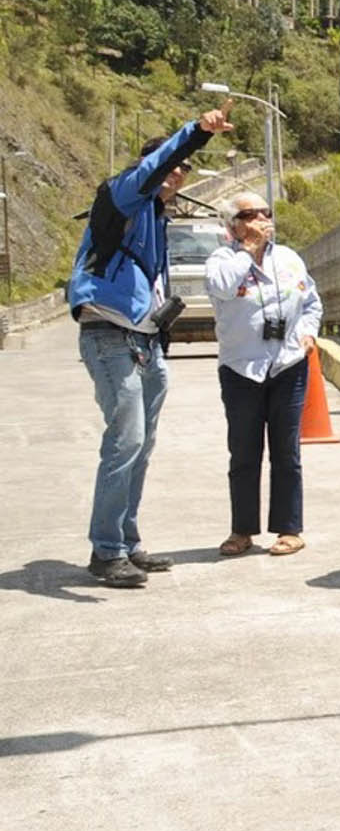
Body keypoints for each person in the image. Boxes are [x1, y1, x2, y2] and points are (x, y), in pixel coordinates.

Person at [67, 102, 234, 586]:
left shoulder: (158, 220)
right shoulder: (121, 197)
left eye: (183, 170)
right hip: (108, 333)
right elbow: (154, 167)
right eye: (170, 165)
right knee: (127, 439)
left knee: (142, 444)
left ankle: (127, 539)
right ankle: (106, 549)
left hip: (145, 341)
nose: (176, 174)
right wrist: (198, 133)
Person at [204, 189, 322, 557]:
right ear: (233, 225)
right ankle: (242, 531)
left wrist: (307, 333)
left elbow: (312, 302)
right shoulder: (222, 260)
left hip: (287, 364)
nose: (262, 220)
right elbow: (222, 288)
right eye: (251, 215)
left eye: (265, 213)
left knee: (287, 451)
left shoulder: (288, 259)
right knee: (243, 452)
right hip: (242, 368)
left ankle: (290, 528)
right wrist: (248, 253)